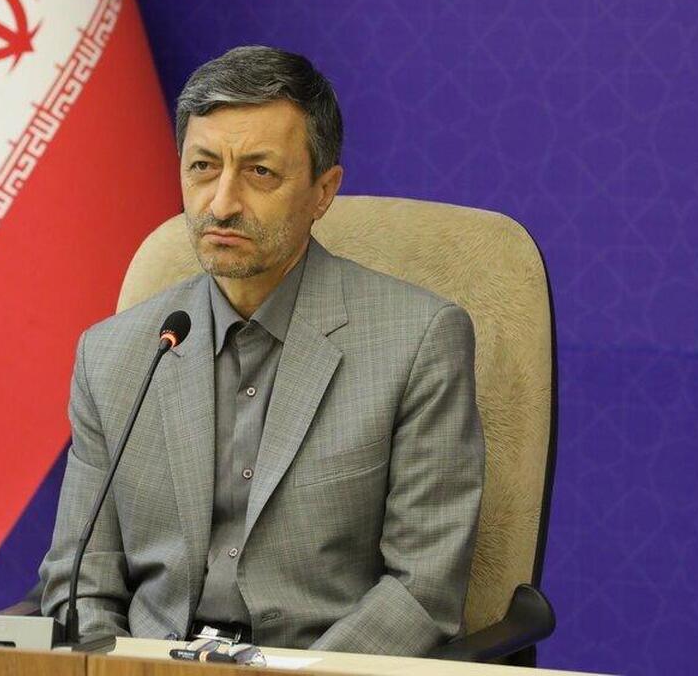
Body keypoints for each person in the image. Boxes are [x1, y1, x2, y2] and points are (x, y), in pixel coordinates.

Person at [33, 45, 483, 656]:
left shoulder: (417, 342)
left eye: (260, 172)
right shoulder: (113, 355)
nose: (221, 203)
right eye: (202, 167)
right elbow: (80, 580)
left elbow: (421, 589)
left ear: (323, 191)